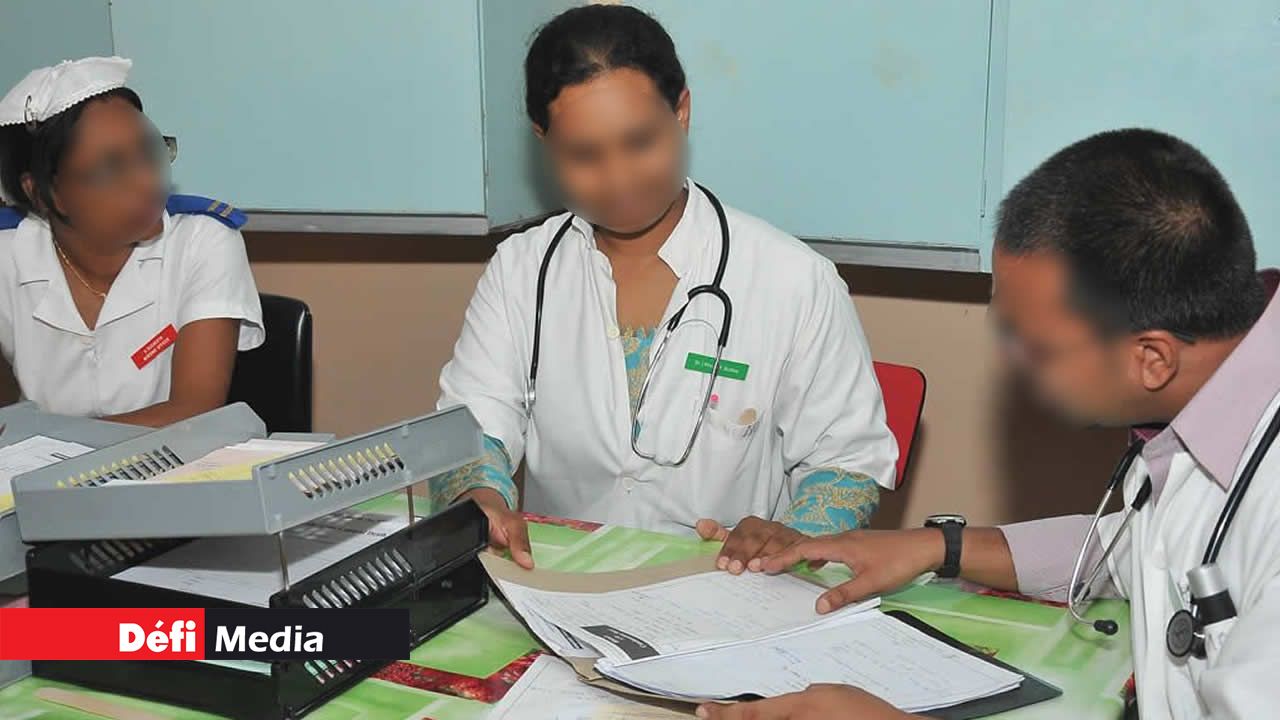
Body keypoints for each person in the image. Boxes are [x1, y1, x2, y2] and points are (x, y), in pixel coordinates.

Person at [700, 128, 1280, 719]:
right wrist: (940, 546)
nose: (1014, 363)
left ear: (1152, 359)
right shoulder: (1206, 402)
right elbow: (1130, 552)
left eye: (1038, 346)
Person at [434, 4, 896, 569]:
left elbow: (846, 463)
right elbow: (472, 429)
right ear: (544, 141)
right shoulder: (520, 272)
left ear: (682, 112)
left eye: (640, 143)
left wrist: (794, 536)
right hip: (564, 582)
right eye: (583, 155)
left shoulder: (793, 280)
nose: (619, 179)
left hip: (732, 586)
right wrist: (479, 497)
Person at [0, 57, 263, 426]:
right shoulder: (9, 251)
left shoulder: (202, 240)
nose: (146, 183)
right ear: (42, 193)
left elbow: (195, 411)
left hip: (172, 458)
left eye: (149, 153)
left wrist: (61, 446)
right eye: (112, 168)